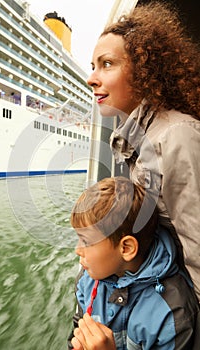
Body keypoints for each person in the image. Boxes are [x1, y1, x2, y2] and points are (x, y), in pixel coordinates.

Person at [86, 1, 200, 300]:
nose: (91, 78)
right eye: (93, 66)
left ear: (142, 70)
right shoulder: (137, 138)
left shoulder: (175, 136)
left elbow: (197, 246)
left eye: (107, 64)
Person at [68, 176, 199, 350]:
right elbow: (77, 329)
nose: (77, 249)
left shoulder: (174, 313)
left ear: (127, 248)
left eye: (85, 241)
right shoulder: (87, 280)